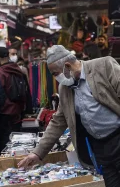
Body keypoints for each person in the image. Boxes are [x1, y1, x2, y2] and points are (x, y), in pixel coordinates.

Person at [18, 45, 120, 187]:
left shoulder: (104, 66)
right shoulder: (65, 88)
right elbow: (58, 121)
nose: (56, 78)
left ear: (67, 66)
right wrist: (37, 153)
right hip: (100, 147)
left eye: (55, 73)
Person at [0, 47, 26, 155]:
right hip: (17, 110)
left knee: (5, 142)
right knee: (17, 140)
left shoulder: (0, 72)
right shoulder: (17, 69)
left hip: (5, 111)